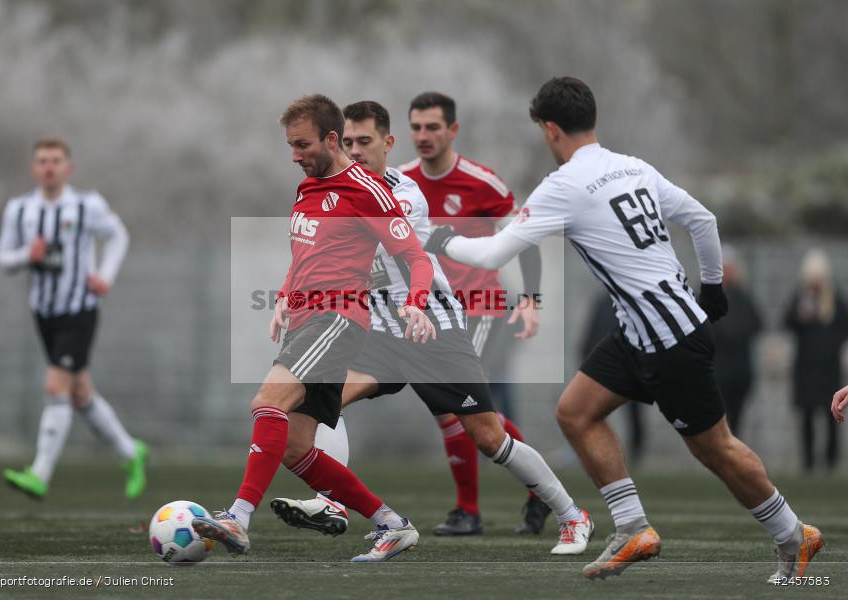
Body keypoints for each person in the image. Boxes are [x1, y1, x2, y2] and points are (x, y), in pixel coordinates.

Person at [425, 77, 824, 582]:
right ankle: (633, 527)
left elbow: (490, 254)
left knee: (715, 449)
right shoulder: (633, 166)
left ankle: (793, 533)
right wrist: (712, 288)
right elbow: (703, 220)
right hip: (642, 331)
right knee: (575, 412)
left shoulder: (565, 184)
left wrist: (437, 238)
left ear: (550, 130)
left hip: (668, 339)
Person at [270, 101, 589, 554]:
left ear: (387, 144)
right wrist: (290, 294)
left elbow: (369, 248)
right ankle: (334, 504)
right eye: (350, 141)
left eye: (365, 141)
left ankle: (572, 515)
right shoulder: (334, 191)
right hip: (381, 332)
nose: (356, 150)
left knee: (488, 436)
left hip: (432, 328)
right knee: (326, 402)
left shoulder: (403, 194)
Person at [192, 94, 435, 562]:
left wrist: (416, 304)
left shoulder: (366, 189)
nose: (294, 155)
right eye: (290, 145)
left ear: (331, 139)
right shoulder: (307, 187)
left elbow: (415, 257)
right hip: (306, 321)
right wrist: (285, 296)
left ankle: (237, 518)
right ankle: (392, 525)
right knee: (296, 447)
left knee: (267, 402)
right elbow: (307, 252)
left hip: (337, 318)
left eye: (302, 145)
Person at [400, 91, 548, 535]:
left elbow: (526, 237)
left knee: (462, 405)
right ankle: (537, 491)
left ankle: (469, 510)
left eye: (432, 127)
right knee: (457, 409)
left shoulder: (482, 183)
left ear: (452, 130)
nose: (423, 136)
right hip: (433, 312)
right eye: (416, 127)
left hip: (479, 307)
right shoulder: (401, 183)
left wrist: (532, 299)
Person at [0, 138, 148, 500]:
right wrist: (27, 255)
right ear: (34, 168)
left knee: (56, 387)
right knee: (79, 393)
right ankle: (131, 452)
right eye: (42, 161)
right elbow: (3, 259)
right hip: (44, 313)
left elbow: (118, 236)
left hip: (80, 309)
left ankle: (40, 474)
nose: (49, 167)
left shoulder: (86, 205)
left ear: (68, 168)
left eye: (55, 160)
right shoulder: (19, 209)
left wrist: (105, 276)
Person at [783, 249, 848, 471]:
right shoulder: (801, 298)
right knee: (807, 415)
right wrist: (800, 315)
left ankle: (830, 461)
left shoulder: (835, 299)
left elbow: (843, 327)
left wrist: (832, 345)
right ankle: (808, 461)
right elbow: (787, 322)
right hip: (806, 369)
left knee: (832, 415)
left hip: (829, 369)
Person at [580, 294, 647, 466]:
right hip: (603, 369)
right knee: (593, 413)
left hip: (630, 369)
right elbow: (592, 333)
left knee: (633, 413)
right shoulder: (603, 303)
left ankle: (636, 451)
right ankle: (598, 452)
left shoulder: (634, 303)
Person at [713, 245, 763, 437]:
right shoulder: (709, 297)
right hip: (717, 371)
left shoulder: (743, 297)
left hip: (740, 371)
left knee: (736, 421)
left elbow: (756, 323)